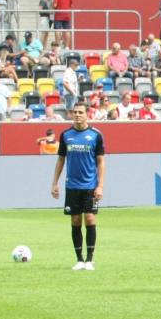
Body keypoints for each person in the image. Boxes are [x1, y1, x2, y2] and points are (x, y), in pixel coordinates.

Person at [50, 103, 105, 271]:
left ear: (87, 114)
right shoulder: (66, 135)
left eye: (80, 112)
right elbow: (61, 159)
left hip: (90, 185)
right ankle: (79, 259)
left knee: (90, 218)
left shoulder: (95, 135)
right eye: (75, 112)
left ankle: (90, 259)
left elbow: (101, 162)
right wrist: (55, 183)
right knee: (75, 220)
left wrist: (100, 185)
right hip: (72, 186)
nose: (77, 115)